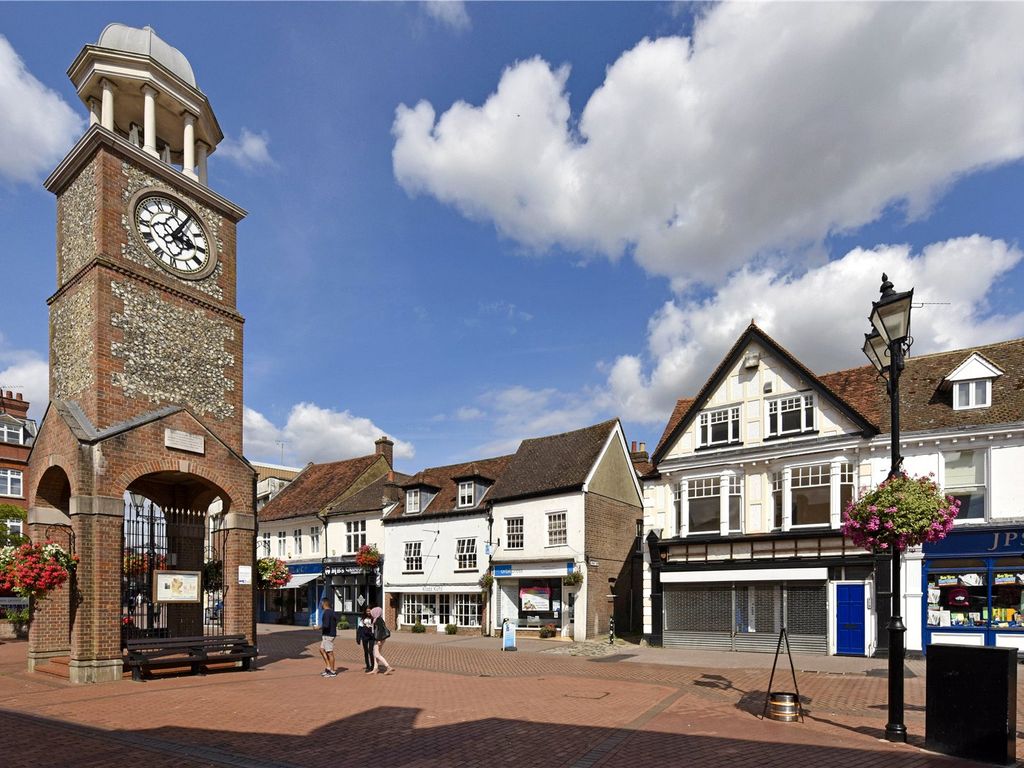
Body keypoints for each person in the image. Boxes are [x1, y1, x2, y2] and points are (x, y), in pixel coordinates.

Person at [370, 606, 393, 675]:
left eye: (373, 612)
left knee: (376, 654)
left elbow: (379, 630)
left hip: (379, 639)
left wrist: (379, 640)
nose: (372, 613)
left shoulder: (378, 620)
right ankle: (375, 668)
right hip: (379, 639)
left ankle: (388, 666)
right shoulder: (378, 619)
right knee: (376, 653)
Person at [318, 598, 338, 677]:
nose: (320, 605)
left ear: (324, 603)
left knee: (329, 652)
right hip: (329, 634)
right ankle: (328, 667)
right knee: (322, 650)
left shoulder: (327, 613)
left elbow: (326, 625)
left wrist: (318, 627)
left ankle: (332, 671)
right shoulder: (332, 612)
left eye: (321, 603)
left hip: (328, 635)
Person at [357, 607, 376, 673]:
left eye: (369, 611)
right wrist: (358, 638)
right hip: (364, 636)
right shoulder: (362, 619)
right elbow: (359, 629)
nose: (368, 612)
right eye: (367, 611)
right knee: (366, 651)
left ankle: (373, 665)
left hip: (371, 637)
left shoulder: (374, 618)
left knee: (370, 651)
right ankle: (367, 665)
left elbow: (376, 628)